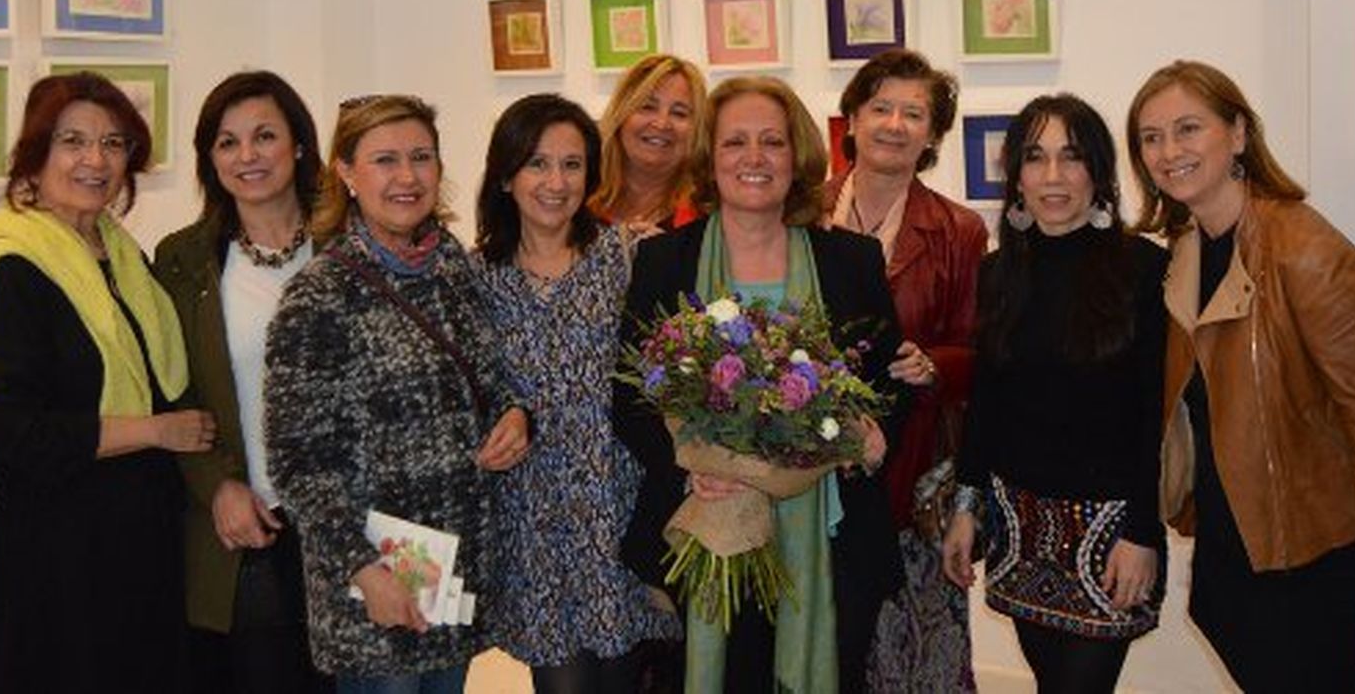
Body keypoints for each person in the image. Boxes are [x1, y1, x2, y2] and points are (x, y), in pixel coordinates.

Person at [1127, 60, 1355, 693]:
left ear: (1237, 133)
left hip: (1313, 571)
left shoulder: (1307, 253)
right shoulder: (1183, 253)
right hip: (1234, 561)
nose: (1168, 151)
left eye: (1187, 129)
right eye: (1151, 137)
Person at [614, 75, 908, 694]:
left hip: (832, 536)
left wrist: (874, 435)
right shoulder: (664, 260)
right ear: (708, 158)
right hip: (709, 527)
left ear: (796, 155)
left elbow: (886, 382)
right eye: (735, 143)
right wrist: (689, 469)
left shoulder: (851, 260)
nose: (754, 158)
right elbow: (630, 397)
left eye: (772, 142)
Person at [0, 72, 216, 694]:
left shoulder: (123, 256)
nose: (96, 160)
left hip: (138, 541)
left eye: (114, 144)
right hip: (59, 556)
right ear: (36, 156)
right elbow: (14, 442)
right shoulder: (14, 268)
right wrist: (154, 430)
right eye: (73, 141)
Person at [263, 94, 531, 694]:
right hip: (374, 593)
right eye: (385, 160)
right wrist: (363, 568)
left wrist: (515, 414)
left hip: (451, 578)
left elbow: (488, 379)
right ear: (347, 173)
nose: (407, 177)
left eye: (421, 157)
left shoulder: (452, 268)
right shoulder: (319, 296)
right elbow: (297, 462)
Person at [942, 94, 1167, 694]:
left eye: (1071, 157)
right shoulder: (998, 272)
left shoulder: (1143, 269)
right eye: (1035, 158)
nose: (1052, 177)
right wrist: (966, 508)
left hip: (1111, 531)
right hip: (1019, 524)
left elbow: (1156, 414)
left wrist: (1143, 531)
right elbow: (986, 402)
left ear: (1098, 170)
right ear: (1015, 176)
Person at [473, 93, 682, 693]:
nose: (556, 182)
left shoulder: (628, 256)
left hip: (617, 510)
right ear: (507, 175)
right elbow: (469, 386)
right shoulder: (472, 277)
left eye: (572, 165)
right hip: (531, 519)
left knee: (625, 677)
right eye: (538, 163)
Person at [155, 71, 331, 694]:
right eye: (227, 143)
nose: (247, 156)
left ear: (300, 146)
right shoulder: (184, 260)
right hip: (252, 525)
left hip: (351, 523)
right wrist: (218, 485)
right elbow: (175, 394)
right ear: (210, 160)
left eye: (264, 136)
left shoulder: (350, 243)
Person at [825, 49, 986, 692]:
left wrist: (935, 364)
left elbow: (979, 353)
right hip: (802, 468)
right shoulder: (801, 212)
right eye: (881, 107)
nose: (894, 124)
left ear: (932, 135)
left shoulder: (958, 229)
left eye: (913, 113)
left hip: (909, 467)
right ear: (852, 120)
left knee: (909, 656)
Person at [587, 54, 707, 231]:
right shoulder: (575, 200)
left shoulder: (710, 215)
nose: (662, 123)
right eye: (647, 107)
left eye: (679, 113)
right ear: (621, 115)